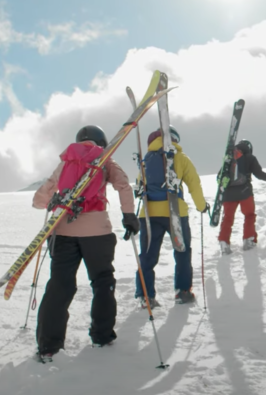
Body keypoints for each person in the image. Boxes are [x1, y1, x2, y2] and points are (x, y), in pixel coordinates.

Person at [31, 125, 140, 360]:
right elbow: (123, 184)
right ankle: (102, 336)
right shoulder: (105, 159)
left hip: (63, 231)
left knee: (60, 284)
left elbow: (46, 192)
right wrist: (129, 215)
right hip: (98, 232)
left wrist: (41, 203)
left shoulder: (68, 160)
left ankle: (48, 345)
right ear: (101, 141)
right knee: (102, 281)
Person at [134, 126, 209, 307]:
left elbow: (139, 185)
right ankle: (183, 292)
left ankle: (146, 296)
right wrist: (201, 206)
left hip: (149, 214)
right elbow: (194, 185)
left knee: (148, 256)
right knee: (182, 251)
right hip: (175, 212)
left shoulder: (146, 161)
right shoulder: (181, 158)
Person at [218, 139, 266, 254]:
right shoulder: (250, 158)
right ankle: (248, 240)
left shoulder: (229, 158)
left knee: (228, 218)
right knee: (249, 215)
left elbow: (220, 176)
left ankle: (224, 242)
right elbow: (259, 174)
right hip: (244, 193)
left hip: (228, 195)